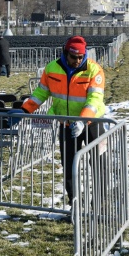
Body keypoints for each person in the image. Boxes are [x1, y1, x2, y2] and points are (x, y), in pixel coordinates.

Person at [21, 35, 106, 204]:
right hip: (66, 124)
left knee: (98, 163)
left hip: (91, 123)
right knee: (69, 165)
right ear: (65, 53)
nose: (77, 60)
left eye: (81, 57)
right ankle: (74, 203)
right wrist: (25, 109)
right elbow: (41, 92)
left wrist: (83, 120)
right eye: (74, 57)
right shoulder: (52, 68)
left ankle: (100, 203)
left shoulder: (94, 70)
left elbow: (95, 99)